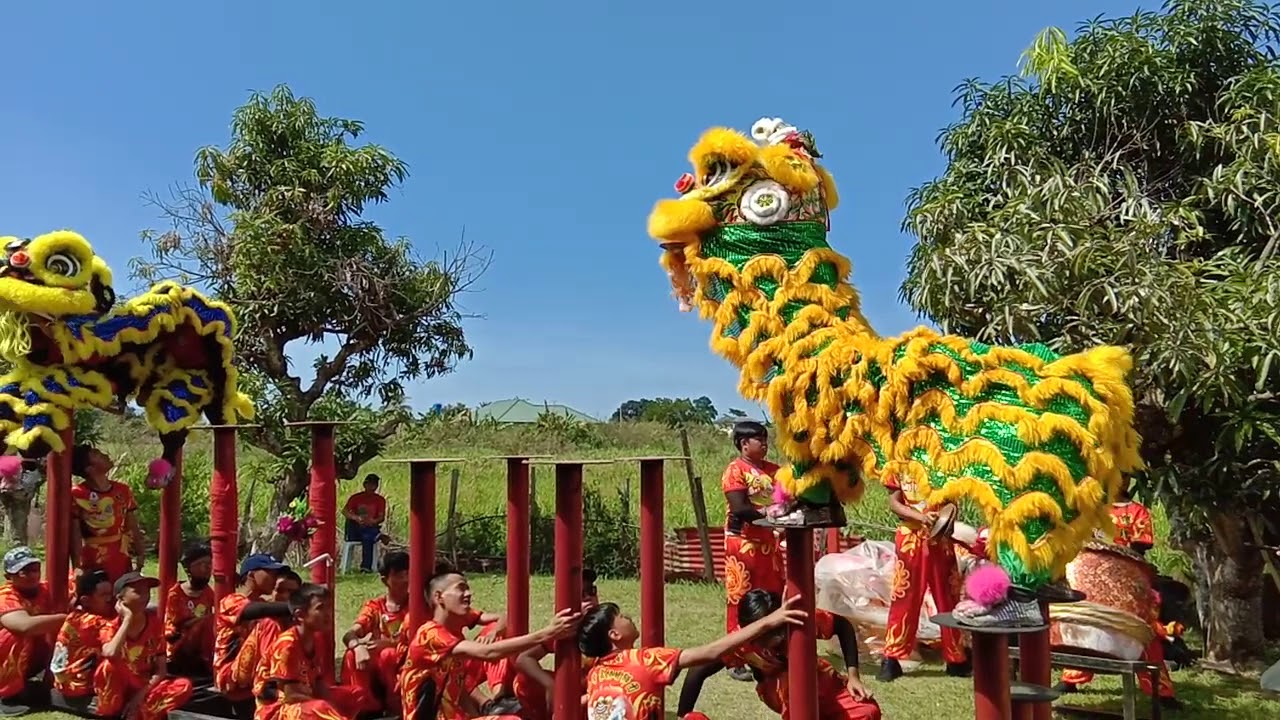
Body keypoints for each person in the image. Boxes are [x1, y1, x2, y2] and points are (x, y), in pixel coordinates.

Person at [578, 594, 806, 720]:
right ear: (614, 634)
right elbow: (711, 653)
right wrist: (768, 621)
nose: (628, 617)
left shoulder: (595, 674)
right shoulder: (645, 660)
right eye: (621, 616)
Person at [399, 570, 580, 720]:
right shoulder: (429, 634)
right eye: (461, 589)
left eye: (468, 589)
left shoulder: (456, 631)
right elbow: (489, 652)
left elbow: (459, 691)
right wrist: (548, 632)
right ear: (439, 598)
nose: (468, 594)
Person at [1058, 487, 1178, 708]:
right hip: (1092, 579)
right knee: (1088, 627)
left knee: (1143, 631)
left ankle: (1162, 691)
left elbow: (1141, 545)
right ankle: (1072, 678)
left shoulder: (1137, 511)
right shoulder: (1093, 510)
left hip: (1128, 577)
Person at [677, 589, 880, 720]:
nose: (775, 639)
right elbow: (697, 670)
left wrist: (854, 677)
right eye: (766, 632)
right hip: (782, 690)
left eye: (777, 631)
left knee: (867, 712)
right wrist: (683, 715)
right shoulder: (740, 643)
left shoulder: (795, 619)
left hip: (819, 678)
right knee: (790, 685)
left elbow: (842, 626)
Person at [877, 474, 969, 682]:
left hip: (940, 538)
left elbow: (952, 500)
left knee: (948, 597)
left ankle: (956, 657)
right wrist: (921, 518)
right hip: (911, 537)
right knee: (904, 598)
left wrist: (949, 517)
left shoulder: (941, 462)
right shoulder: (898, 463)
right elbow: (894, 502)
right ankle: (891, 657)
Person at [722, 421, 786, 681]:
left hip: (769, 543)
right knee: (740, 598)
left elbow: (785, 499)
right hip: (742, 544)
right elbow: (739, 508)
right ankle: (735, 657)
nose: (764, 442)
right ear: (743, 444)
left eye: (765, 437)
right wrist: (770, 515)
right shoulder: (734, 470)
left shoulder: (777, 471)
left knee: (772, 597)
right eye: (758, 438)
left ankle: (769, 649)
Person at [253, 583, 369, 720]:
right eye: (320, 608)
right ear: (300, 615)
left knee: (356, 694)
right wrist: (326, 707)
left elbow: (318, 683)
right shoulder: (287, 646)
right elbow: (291, 695)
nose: (328, 614)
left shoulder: (316, 640)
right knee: (320, 708)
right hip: (278, 708)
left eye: (329, 608)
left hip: (306, 698)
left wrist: (331, 705)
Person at [94, 572, 195, 720]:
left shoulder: (154, 623)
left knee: (184, 686)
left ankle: (137, 713)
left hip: (143, 685)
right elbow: (110, 653)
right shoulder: (110, 626)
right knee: (108, 667)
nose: (145, 597)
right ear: (120, 599)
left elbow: (161, 670)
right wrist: (127, 619)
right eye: (138, 592)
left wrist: (140, 696)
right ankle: (112, 712)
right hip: (120, 686)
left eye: (147, 592)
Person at [512, 568, 600, 720]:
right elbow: (524, 659)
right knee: (523, 681)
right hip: (576, 691)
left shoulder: (606, 625)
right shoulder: (569, 629)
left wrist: (572, 703)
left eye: (591, 591)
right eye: (581, 595)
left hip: (601, 693)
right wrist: (551, 685)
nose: (589, 598)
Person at [341, 550, 410, 714]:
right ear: (385, 580)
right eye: (400, 575)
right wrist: (357, 646)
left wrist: (390, 644)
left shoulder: (417, 605)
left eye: (408, 573)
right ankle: (364, 703)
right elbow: (350, 634)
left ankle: (396, 703)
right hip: (377, 664)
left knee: (388, 654)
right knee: (352, 654)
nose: (406, 579)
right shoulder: (375, 607)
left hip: (403, 661)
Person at [0, 546, 66, 716]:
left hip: (32, 656)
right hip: (6, 658)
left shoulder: (47, 589)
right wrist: (67, 619)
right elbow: (24, 626)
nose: (32, 575)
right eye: (24, 571)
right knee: (14, 635)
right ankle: (6, 696)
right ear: (9, 576)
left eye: (34, 569)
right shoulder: (6, 596)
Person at [215, 554, 288, 697]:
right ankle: (268, 682)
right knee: (269, 623)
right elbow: (256, 610)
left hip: (250, 672)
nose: (275, 578)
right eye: (271, 573)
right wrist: (295, 606)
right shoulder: (230, 601)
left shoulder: (264, 604)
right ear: (251, 574)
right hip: (228, 675)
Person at [69, 445, 144, 581]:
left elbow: (132, 525)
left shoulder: (123, 490)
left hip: (120, 554)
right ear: (89, 469)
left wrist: (140, 552)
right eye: (96, 454)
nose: (105, 454)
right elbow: (75, 534)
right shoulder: (77, 495)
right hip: (92, 557)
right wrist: (77, 565)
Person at [231, 571, 304, 695]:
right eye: (280, 590)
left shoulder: (300, 622)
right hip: (252, 682)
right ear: (272, 593)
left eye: (292, 592)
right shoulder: (267, 618)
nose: (286, 596)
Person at [50, 571, 113, 709]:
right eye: (104, 595)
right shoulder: (96, 623)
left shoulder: (74, 615)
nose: (110, 599)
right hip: (78, 686)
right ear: (85, 601)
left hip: (61, 681)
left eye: (110, 593)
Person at [164, 542, 216, 677]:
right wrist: (206, 621)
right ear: (189, 568)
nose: (206, 569)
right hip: (180, 644)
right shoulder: (176, 593)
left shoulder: (208, 592)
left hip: (201, 644)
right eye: (201, 564)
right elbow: (180, 624)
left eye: (209, 564)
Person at [343, 474, 387, 573]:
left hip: (369, 528)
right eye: (370, 484)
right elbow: (345, 511)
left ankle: (365, 567)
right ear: (365, 484)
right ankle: (377, 535)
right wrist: (356, 518)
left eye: (374, 484)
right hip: (356, 529)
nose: (372, 487)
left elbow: (381, 517)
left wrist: (373, 521)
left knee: (368, 537)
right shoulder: (356, 498)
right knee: (368, 533)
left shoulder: (380, 500)